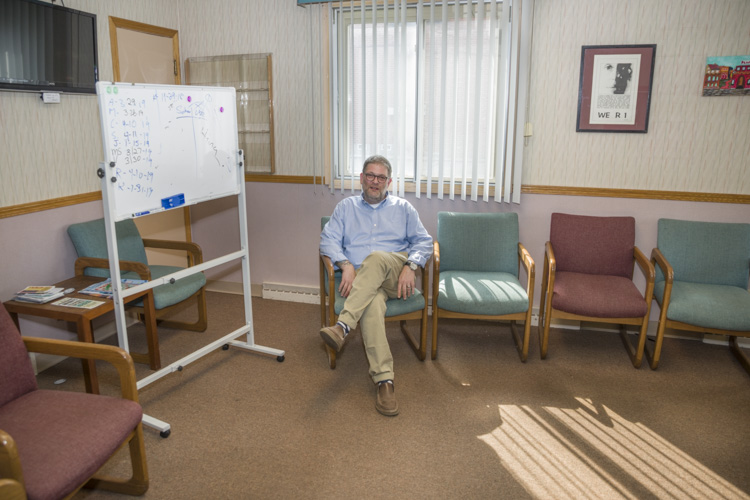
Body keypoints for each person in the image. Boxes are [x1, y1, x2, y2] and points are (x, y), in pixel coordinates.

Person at [319, 155, 433, 417]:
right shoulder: (345, 207)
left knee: (378, 258)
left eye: (381, 177)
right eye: (370, 175)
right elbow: (327, 240)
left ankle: (343, 325)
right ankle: (385, 382)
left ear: (388, 182)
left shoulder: (403, 208)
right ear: (361, 178)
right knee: (371, 304)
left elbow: (424, 242)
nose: (375, 182)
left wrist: (411, 266)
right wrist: (346, 264)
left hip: (396, 275)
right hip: (362, 280)